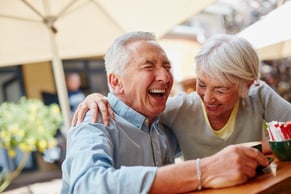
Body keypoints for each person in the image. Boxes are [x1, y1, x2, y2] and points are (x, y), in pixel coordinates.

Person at [61, 31, 268, 194]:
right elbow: (87, 187)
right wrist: (202, 172)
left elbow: (214, 138)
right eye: (148, 66)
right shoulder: (95, 120)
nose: (164, 76)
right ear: (116, 82)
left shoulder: (163, 125)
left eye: (167, 66)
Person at [72, 34, 291, 160]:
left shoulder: (259, 94)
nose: (208, 98)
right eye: (202, 84)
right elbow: (135, 108)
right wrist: (97, 97)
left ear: (248, 84)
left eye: (221, 89)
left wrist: (255, 150)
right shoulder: (179, 109)